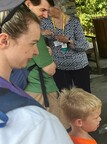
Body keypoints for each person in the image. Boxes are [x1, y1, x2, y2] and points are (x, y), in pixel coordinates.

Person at [0, 1, 100, 144]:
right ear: (4, 40)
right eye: (31, 43)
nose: (36, 51)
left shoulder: (73, 24)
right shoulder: (36, 125)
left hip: (75, 66)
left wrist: (68, 42)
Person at [23, 0, 69, 128]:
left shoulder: (17, 27)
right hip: (41, 90)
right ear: (28, 4)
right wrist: (50, 58)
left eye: (48, 11)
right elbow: (50, 69)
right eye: (42, 10)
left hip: (28, 87)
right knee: (58, 129)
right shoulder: (31, 29)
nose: (46, 15)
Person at [41, 0, 91, 92]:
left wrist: (68, 41)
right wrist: (42, 33)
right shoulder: (45, 22)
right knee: (64, 97)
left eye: (48, 10)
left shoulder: (74, 22)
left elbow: (84, 46)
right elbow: (35, 39)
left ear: (58, 8)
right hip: (59, 66)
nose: (46, 13)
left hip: (78, 65)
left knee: (84, 96)